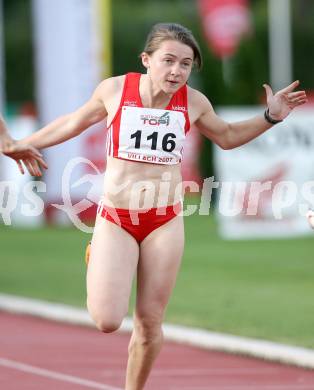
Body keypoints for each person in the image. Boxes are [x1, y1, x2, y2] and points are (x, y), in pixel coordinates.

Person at [4, 23, 307, 390]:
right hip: (117, 217)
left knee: (149, 325)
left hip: (164, 220)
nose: (176, 71)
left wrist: (270, 117)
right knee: (107, 320)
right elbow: (73, 122)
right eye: (168, 61)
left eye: (185, 64)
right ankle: (97, 252)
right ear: (146, 60)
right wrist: (22, 143)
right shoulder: (115, 90)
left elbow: (226, 137)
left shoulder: (193, 102)